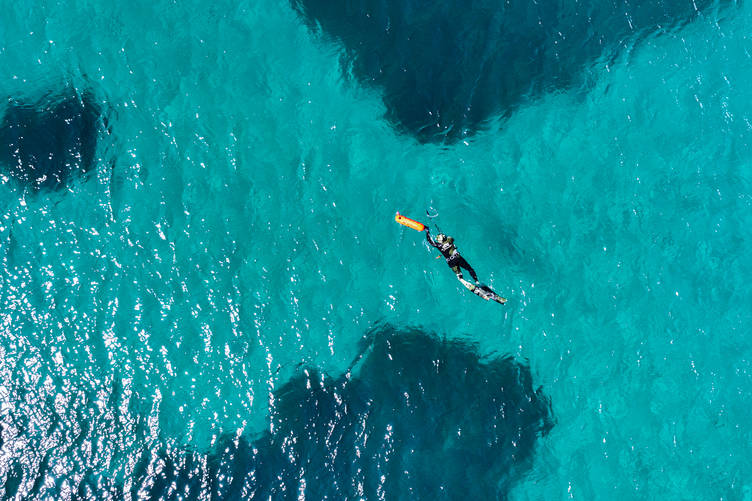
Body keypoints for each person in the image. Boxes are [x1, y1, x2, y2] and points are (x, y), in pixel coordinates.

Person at [424, 227, 506, 304]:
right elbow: (451, 238)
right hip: (458, 258)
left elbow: (430, 242)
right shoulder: (450, 240)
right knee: (470, 269)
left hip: (451, 262)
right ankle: (477, 281)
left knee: (459, 276)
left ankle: (461, 280)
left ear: (439, 241)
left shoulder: (439, 245)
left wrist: (427, 231)